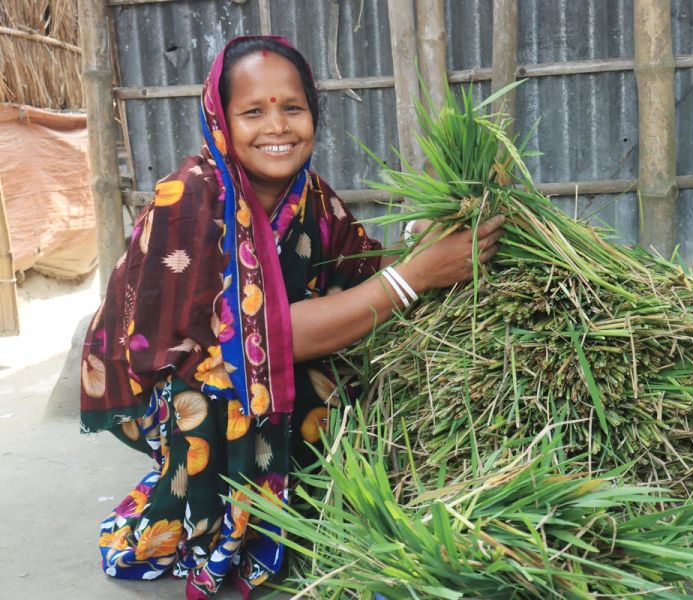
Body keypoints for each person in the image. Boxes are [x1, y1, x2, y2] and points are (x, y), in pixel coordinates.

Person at [80, 35, 503, 599]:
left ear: (313, 115)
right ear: (221, 120)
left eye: (293, 108)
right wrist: (417, 275)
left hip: (258, 364)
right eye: (253, 111)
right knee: (224, 391)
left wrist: (424, 244)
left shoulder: (312, 196)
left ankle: (296, 501)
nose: (276, 126)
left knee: (344, 375)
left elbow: (361, 275)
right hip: (178, 387)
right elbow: (254, 342)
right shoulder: (190, 199)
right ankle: (207, 515)